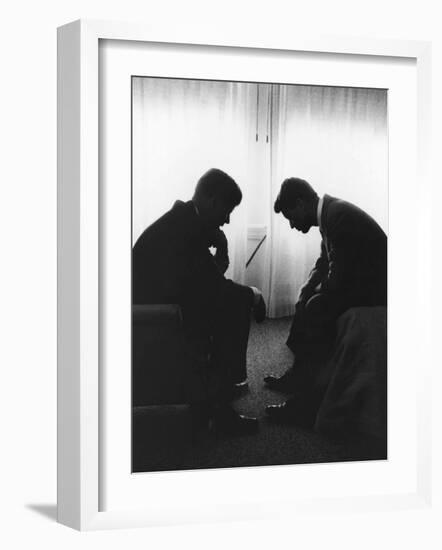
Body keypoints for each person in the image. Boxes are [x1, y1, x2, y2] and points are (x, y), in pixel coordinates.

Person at [133, 168, 266, 435]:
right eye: (227, 210)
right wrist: (254, 294)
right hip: (156, 317)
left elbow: (200, 282)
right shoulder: (185, 232)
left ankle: (218, 394)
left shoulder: (182, 221)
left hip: (163, 305)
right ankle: (221, 403)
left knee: (231, 301)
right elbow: (211, 288)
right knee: (237, 304)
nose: (227, 221)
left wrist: (220, 251)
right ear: (211, 200)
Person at [264, 177, 387, 425]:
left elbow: (339, 278)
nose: (291, 225)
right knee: (307, 298)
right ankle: (298, 375)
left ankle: (306, 405)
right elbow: (325, 262)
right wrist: (307, 287)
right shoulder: (331, 214)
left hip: (378, 289)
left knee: (316, 307)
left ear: (301, 203)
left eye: (290, 217)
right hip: (360, 281)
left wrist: (315, 293)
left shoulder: (339, 217)